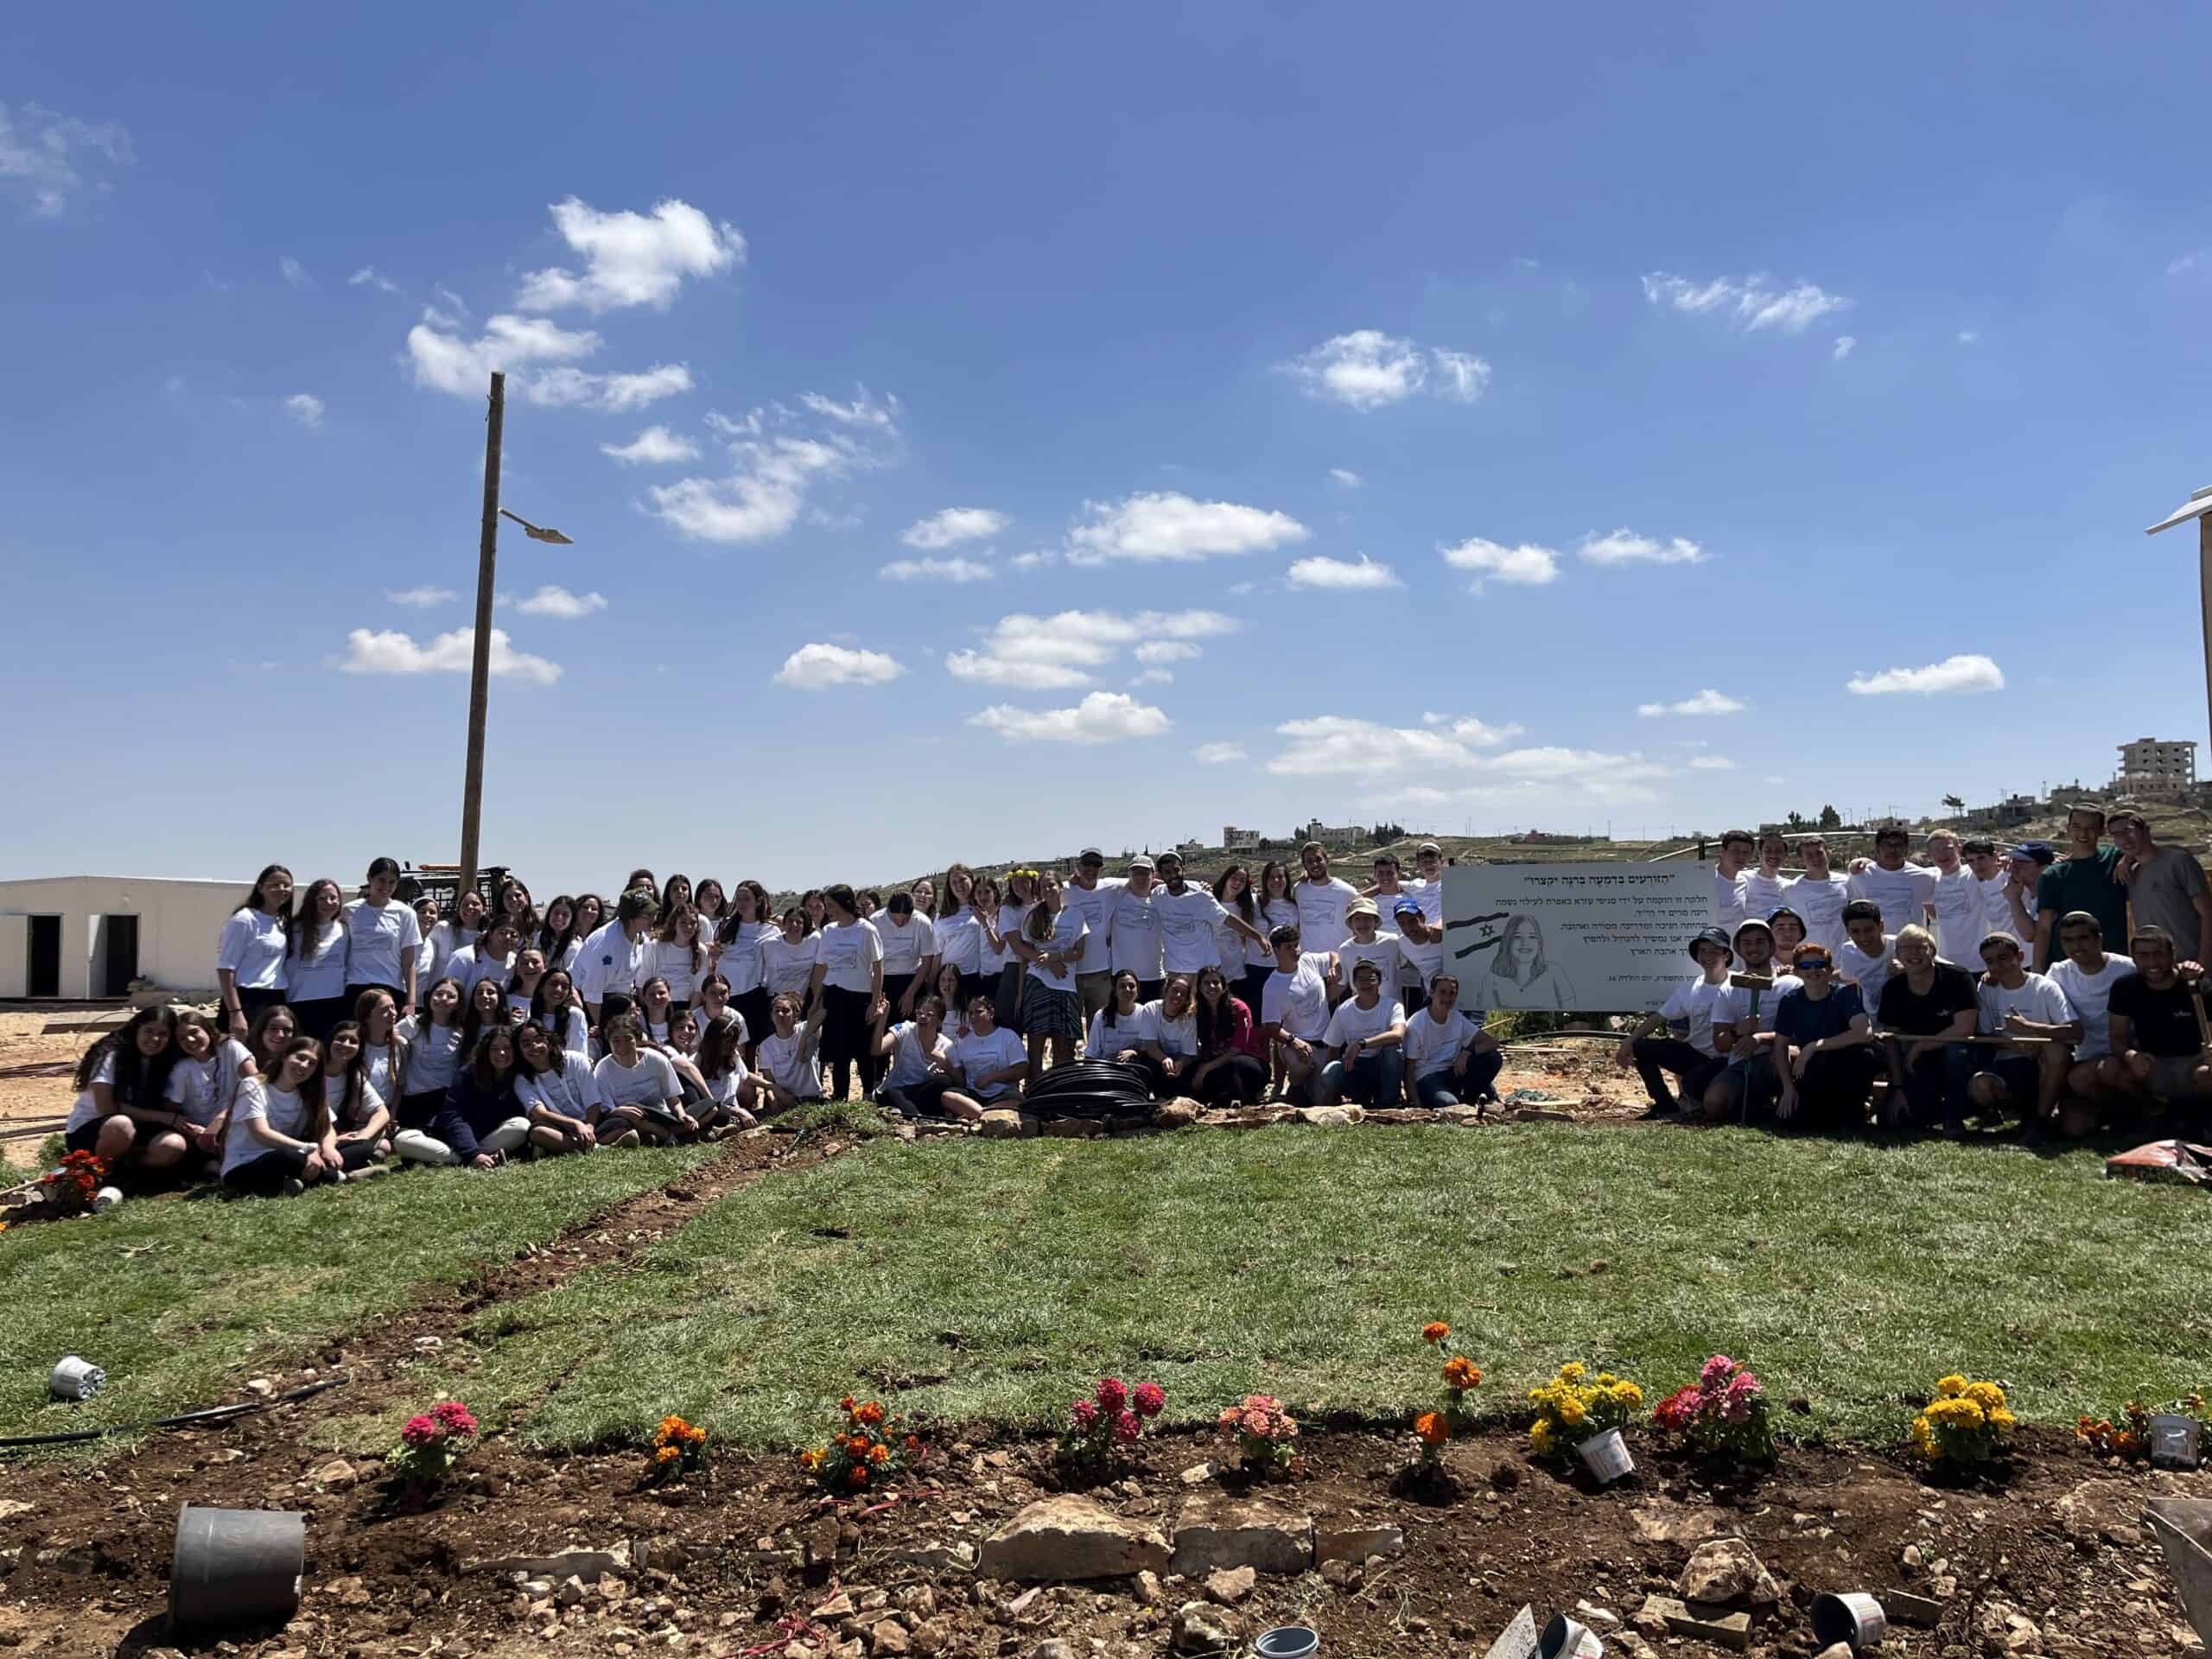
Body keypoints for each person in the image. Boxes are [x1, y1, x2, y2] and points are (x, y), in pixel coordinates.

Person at [1618, 928, 1738, 1119]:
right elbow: (1659, 1017)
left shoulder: (1739, 984)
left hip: (1726, 1060)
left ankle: (1707, 1101)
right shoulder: (1691, 988)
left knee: (1691, 1082)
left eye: (1714, 951)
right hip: (1696, 1054)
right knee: (1641, 1047)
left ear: (1726, 955)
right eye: (1703, 951)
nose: (1708, 956)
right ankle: (1665, 1105)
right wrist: (1628, 1042)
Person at [1964, 932, 2078, 1135]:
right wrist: (2016, 1045)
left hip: (2045, 1061)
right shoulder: (1987, 987)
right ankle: (2024, 1111)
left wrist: (2029, 1028)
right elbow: (1984, 1034)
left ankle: (2040, 1121)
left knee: (2056, 1053)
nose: (1997, 966)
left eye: (2003, 958)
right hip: (2009, 1061)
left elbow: (2075, 1032)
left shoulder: (2045, 987)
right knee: (1980, 1086)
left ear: (2020, 957)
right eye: (1990, 961)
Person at [1758, 941, 1880, 1129]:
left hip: (1846, 1063)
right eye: (1806, 966)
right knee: (1793, 1123)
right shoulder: (1790, 1001)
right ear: (1797, 972)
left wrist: (1814, 1045)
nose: (1813, 970)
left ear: (1830, 969)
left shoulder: (1844, 994)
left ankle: (1855, 1110)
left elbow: (1864, 1033)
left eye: (1820, 965)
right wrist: (1788, 1088)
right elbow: (1780, 1046)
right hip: (1813, 1065)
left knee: (1865, 1056)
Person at [1873, 925, 1980, 1131]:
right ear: (1897, 954)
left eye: (1920, 947)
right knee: (1893, 1121)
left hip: (1961, 1055)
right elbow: (1891, 1041)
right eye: (1907, 948)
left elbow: (1965, 1029)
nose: (1914, 953)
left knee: (1956, 1051)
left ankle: (1954, 1116)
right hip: (1919, 1061)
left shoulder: (1958, 978)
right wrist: (1898, 1087)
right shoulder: (1893, 989)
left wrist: (1921, 1045)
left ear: (1933, 950)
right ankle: (1943, 1110)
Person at [64, 1006, 186, 1175]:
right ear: (137, 1028)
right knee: (121, 1125)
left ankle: (126, 1174)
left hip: (136, 1128)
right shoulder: (113, 1056)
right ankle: (100, 1174)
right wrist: (165, 1118)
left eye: (163, 1034)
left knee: (173, 1145)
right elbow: (106, 1108)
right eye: (149, 1031)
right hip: (97, 1131)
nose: (155, 1038)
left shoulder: (164, 1061)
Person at [2104, 926, 2212, 1116]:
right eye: (2143, 955)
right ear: (2134, 958)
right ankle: (2153, 1113)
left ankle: (2200, 1116)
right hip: (2153, 1065)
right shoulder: (2124, 987)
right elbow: (2117, 1039)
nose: (2152, 962)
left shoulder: (2197, 985)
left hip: (2194, 1065)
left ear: (2173, 954)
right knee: (2110, 1069)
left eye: (2159, 954)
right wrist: (2131, 1056)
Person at [2045, 912, 2135, 1135]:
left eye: (2083, 938)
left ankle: (2145, 1112)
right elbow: (2034, 995)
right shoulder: (2058, 973)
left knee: (2109, 1069)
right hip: (2083, 1060)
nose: (2076, 946)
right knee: (2075, 1129)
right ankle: (2111, 1113)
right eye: (2068, 940)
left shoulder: (2128, 968)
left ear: (2099, 939)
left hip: (2126, 1056)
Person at [221, 1038, 346, 1196]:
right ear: (284, 1056)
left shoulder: (308, 1093)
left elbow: (327, 1127)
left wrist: (329, 1148)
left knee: (361, 1147)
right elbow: (261, 1133)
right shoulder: (253, 1085)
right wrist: (307, 1149)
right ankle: (336, 1176)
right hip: (246, 1164)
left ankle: (291, 1182)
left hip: (294, 1155)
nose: (304, 1065)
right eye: (300, 1058)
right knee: (288, 1157)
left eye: (312, 1063)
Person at [396, 1027, 532, 1166]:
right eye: (494, 1048)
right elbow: (453, 1117)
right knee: (402, 1140)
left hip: (488, 1139)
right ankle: (466, 1159)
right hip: (450, 1139)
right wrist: (473, 1153)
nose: (502, 1053)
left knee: (522, 1126)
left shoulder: (520, 1078)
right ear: (486, 1051)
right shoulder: (467, 1074)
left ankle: (463, 1157)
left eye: (507, 1048)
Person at [809, 884, 887, 1098]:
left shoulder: (866, 929)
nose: (827, 909)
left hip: (860, 997)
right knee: (838, 1053)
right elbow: (823, 967)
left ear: (845, 904)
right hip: (835, 995)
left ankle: (868, 1095)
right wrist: (816, 1001)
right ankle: (840, 1097)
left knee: (862, 1051)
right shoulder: (828, 931)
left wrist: (874, 1001)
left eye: (831, 905)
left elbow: (878, 968)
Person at [1014, 869, 1090, 1083]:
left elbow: (1079, 952)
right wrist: (1047, 963)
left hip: (1066, 985)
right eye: (1043, 887)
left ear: (1060, 887)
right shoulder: (1033, 917)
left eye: (1051, 885)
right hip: (1038, 982)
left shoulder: (1075, 914)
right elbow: (1025, 953)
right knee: (1036, 1042)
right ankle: (1035, 1087)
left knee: (1064, 1044)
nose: (1048, 890)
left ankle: (1058, 1089)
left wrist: (1054, 958)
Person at [2035, 807, 2127, 972]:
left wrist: (2128, 859)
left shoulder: (2115, 858)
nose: (2083, 833)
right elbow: (2044, 928)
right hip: (2071, 969)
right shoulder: (2053, 875)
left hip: (2116, 963)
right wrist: (2037, 973)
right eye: (2077, 826)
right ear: (2068, 829)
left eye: (2091, 827)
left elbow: (2141, 846)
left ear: (2102, 831)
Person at [2112, 810, 2212, 963]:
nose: (2124, 839)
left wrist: (2205, 964)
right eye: (2116, 835)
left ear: (2146, 831)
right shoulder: (2131, 874)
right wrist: (2127, 859)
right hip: (2156, 971)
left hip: (2191, 966)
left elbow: (2208, 913)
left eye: (2129, 831)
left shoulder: (2178, 861)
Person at [1155, 851, 1265, 981]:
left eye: (1176, 870)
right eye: (1167, 872)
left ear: (1183, 870)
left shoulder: (1201, 894)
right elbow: (1141, 880)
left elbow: (1228, 919)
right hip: (1174, 972)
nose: (1173, 875)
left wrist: (1258, 937)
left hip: (1204, 972)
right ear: (1161, 875)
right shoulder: (1157, 894)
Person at [1401, 971, 1502, 1109]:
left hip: (1452, 1070)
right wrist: (1415, 1104)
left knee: (1492, 1058)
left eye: (1452, 993)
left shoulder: (1456, 1018)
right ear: (1431, 993)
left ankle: (1469, 1102)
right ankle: (1455, 1102)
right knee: (1448, 1104)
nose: (1447, 998)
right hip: (1427, 1076)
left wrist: (1466, 1052)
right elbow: (1409, 1069)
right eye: (1442, 992)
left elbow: (1492, 1043)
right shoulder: (1416, 1025)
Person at [1259, 924, 1337, 1103]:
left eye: (1296, 945)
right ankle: (1295, 1086)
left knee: (1322, 1102)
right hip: (1296, 1045)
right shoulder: (1272, 986)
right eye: (1289, 947)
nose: (1296, 950)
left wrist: (1335, 967)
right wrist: (1294, 1042)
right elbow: (1272, 1027)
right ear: (1276, 950)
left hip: (1324, 1044)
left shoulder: (1309, 961)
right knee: (1300, 1066)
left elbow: (1333, 955)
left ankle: (1308, 1086)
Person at [592, 1014, 697, 1143]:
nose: (622, 1045)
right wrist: (620, 1111)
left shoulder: (656, 1059)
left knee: (710, 1109)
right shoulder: (603, 1069)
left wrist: (682, 1114)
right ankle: (663, 1134)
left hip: (659, 1114)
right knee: (621, 1122)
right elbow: (606, 1110)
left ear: (637, 1039)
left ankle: (650, 1135)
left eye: (628, 1039)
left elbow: (672, 1098)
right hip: (628, 1117)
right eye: (616, 1040)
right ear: (609, 1042)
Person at [1318, 959, 1407, 1107]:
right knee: (1329, 1075)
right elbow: (1333, 1048)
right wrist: (1329, 1095)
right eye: (1361, 979)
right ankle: (1360, 1096)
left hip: (1381, 1064)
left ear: (1379, 982)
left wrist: (1362, 1044)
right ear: (1354, 983)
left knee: (1393, 1050)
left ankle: (1389, 1102)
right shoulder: (1343, 1010)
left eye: (1371, 979)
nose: (1366, 984)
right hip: (1355, 1065)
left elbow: (1398, 1034)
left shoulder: (1392, 1005)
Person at [218, 864, 294, 1036]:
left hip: (276, 998)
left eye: (286, 885)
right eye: (274, 885)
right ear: (260, 888)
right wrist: (235, 1013)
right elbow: (225, 969)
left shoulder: (282, 922)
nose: (281, 889)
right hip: (248, 1000)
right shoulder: (245, 920)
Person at [342, 856, 423, 1017]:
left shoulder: (405, 914)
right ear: (369, 878)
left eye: (392, 882)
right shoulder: (349, 911)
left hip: (390, 988)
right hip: (355, 988)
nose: (386, 886)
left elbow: (409, 962)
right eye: (381, 880)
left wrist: (411, 1002)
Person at [513, 1019, 602, 1155]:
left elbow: (593, 1100)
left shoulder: (576, 1060)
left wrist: (589, 1127)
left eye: (539, 1040)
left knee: (619, 1123)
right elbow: (540, 1113)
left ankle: (578, 1145)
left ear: (548, 1041)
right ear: (519, 1050)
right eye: (526, 1044)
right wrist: (575, 1124)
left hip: (592, 1123)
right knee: (538, 1133)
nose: (534, 1046)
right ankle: (598, 1147)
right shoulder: (522, 1079)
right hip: (560, 1127)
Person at [1186, 963, 1268, 1107]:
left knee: (1234, 1064)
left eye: (1216, 982)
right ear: (1199, 988)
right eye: (1206, 983)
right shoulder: (1198, 1012)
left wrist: (1205, 1068)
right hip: (1217, 1064)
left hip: (1249, 1063)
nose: (1211, 986)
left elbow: (1237, 1050)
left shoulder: (1239, 1008)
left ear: (1224, 986)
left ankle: (1248, 1100)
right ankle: (1223, 1096)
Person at [576, 888, 658, 1027]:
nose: (653, 919)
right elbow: (591, 994)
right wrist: (602, 1030)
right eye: (646, 916)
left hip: (620, 1000)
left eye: (654, 914)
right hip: (590, 1003)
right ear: (631, 919)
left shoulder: (640, 936)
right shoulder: (607, 945)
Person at [321, 1020, 394, 1171]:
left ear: (359, 1048)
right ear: (329, 1041)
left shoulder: (353, 1076)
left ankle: (350, 1161)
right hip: (314, 1135)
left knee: (377, 1138)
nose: (346, 1044)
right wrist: (333, 1140)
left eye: (353, 1041)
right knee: (376, 1147)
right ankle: (348, 1167)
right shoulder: (313, 1070)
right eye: (341, 1039)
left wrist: (362, 1137)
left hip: (337, 1135)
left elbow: (382, 1113)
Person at [395, 976, 466, 1130]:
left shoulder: (460, 1032)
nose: (443, 999)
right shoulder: (413, 1024)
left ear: (458, 1004)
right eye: (439, 994)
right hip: (414, 1098)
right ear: (430, 997)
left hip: (444, 1099)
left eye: (451, 996)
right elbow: (385, 1037)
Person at [717, 882, 780, 1057]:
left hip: (752, 994)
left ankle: (751, 1084)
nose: (742, 903)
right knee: (727, 1047)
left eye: (747, 899)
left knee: (750, 1050)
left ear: (758, 901)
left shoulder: (771, 929)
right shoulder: (726, 926)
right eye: (738, 898)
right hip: (725, 994)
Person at [871, 998, 959, 1120]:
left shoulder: (947, 1045)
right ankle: (918, 1118)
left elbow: (960, 1081)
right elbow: (877, 1050)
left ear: (939, 1021)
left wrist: (944, 1063)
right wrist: (882, 1018)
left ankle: (915, 1114)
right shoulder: (905, 1029)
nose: (923, 1017)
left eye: (929, 1014)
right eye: (919, 1013)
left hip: (920, 1092)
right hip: (897, 1089)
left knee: (944, 1081)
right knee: (892, 1093)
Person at [1062, 848, 1123, 1021]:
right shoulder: (1064, 890)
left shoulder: (1110, 887)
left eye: (1096, 865)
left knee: (1099, 1028)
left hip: (1101, 974)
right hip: (1070, 973)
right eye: (1086, 864)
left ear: (1102, 869)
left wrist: (1198, 885)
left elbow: (1143, 878)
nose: (1090, 869)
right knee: (1069, 1030)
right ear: (1078, 866)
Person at [944, 994, 1027, 1120]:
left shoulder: (1008, 1036)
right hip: (973, 1094)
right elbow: (959, 1074)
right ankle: (986, 1115)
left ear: (991, 1013)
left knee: (1019, 1100)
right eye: (971, 1013)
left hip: (1002, 1093)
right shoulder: (963, 1040)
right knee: (947, 1096)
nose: (973, 1017)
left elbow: (1021, 1070)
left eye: (979, 1012)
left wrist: (991, 1077)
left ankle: (978, 1114)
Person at [1848, 825, 1937, 941]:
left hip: (1911, 948)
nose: (1892, 850)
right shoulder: (1859, 877)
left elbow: (1939, 913)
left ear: (1906, 849)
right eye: (1887, 845)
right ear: (1877, 849)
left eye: (1898, 845)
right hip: (1872, 948)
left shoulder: (1924, 877)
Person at [1478, 913, 1577, 1010]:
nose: (1525, 943)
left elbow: (1571, 1008)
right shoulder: (1492, 979)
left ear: (1539, 943)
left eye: (1532, 937)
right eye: (1517, 937)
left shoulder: (1555, 972)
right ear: (1508, 941)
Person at [873, 889, 939, 1025]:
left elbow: (927, 961)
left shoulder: (923, 922)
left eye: (905, 919)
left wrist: (910, 994)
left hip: (912, 978)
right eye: (896, 918)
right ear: (888, 912)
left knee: (910, 1026)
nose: (900, 923)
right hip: (883, 978)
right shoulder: (875, 921)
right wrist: (876, 994)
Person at [1924, 831, 1989, 967]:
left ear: (1959, 849)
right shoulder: (1929, 878)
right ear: (1930, 854)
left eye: (1947, 848)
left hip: (1979, 962)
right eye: (1936, 850)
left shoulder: (1974, 872)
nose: (1942, 854)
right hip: (1946, 961)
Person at [1245, 861, 1301, 1015]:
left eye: (1280, 877)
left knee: (1284, 1016)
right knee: (1257, 1017)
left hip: (1284, 969)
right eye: (1271, 877)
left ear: (1287, 880)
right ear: (1265, 880)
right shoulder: (1253, 901)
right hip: (1256, 968)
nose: (1276, 881)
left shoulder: (1294, 906)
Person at [1134, 974, 1203, 1098]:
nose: (1178, 995)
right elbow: (1150, 1046)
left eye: (1183, 993)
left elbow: (1189, 1054)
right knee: (1145, 1064)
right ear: (1166, 991)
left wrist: (1181, 1064)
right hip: (1157, 1058)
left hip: (1180, 1063)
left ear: (1187, 999)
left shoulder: (1189, 1017)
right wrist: (1164, 1059)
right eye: (1175, 990)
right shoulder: (1151, 1009)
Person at [1104, 857, 1164, 999]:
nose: (1141, 878)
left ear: (1153, 876)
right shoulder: (1115, 898)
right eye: (1136, 873)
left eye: (1145, 873)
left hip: (1155, 977)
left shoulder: (1161, 900)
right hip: (1123, 980)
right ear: (1129, 876)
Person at [755, 994, 828, 1109]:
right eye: (776, 1011)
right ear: (771, 1016)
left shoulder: (806, 1029)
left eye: (785, 1011)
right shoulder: (766, 1046)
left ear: (796, 1014)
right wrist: (774, 1103)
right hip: (785, 1100)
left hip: (810, 1099)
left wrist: (803, 1041)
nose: (780, 1014)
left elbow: (823, 1012)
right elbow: (768, 1082)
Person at [1293, 842, 1360, 967]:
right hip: (1308, 966)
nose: (1315, 864)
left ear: (1327, 860)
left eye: (1319, 859)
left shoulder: (1347, 892)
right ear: (1304, 866)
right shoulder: (1299, 890)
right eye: (1309, 861)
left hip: (1339, 965)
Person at [1784, 836, 1853, 957]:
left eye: (1819, 853)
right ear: (1801, 859)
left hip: (1844, 959)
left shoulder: (1847, 883)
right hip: (1809, 962)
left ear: (1828, 853)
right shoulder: (1790, 890)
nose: (1815, 858)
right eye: (1809, 855)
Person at [932, 863, 988, 1008]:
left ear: (971, 880)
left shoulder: (983, 909)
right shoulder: (941, 917)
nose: (959, 885)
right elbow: (937, 953)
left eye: (963, 880)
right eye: (954, 882)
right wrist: (932, 983)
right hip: (948, 980)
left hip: (975, 976)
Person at [1334, 899, 1406, 1006]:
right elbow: (1343, 983)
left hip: (1392, 1008)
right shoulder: (1345, 949)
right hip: (1361, 1010)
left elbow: (1408, 964)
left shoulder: (1393, 942)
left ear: (1376, 921)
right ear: (1351, 923)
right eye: (1357, 919)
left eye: (1367, 918)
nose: (1362, 923)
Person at [642, 903, 709, 1014]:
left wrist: (689, 1015)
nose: (688, 927)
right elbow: (642, 982)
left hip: (687, 1007)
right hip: (657, 1006)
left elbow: (698, 990)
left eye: (693, 923)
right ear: (674, 923)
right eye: (683, 922)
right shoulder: (655, 946)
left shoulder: (701, 950)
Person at [1836, 901, 1899, 1018]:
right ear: (1847, 932)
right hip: (1870, 1023)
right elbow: (1845, 977)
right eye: (1855, 931)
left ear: (1881, 926)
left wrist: (1909, 970)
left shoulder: (1900, 944)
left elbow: (1935, 965)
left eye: (1868, 930)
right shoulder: (1848, 950)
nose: (1863, 938)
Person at [992, 871, 1036, 1036]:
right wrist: (1048, 961)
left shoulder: (1042, 905)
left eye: (1024, 882)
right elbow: (1017, 946)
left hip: (1038, 968)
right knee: (1009, 1022)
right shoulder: (1008, 909)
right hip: (1015, 967)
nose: (1020, 886)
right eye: (1015, 883)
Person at [1997, 842, 2055, 963]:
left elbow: (2030, 935)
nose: (2015, 866)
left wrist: (2014, 898)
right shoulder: (2032, 895)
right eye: (2014, 860)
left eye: (2023, 862)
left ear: (2044, 867)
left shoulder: (2052, 894)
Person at [760, 906, 820, 1019]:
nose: (794, 925)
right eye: (790, 921)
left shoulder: (815, 940)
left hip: (800, 1002)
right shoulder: (770, 944)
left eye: (799, 922)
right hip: (775, 1000)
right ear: (784, 923)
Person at [447, 915, 522, 1001]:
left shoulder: (515, 962)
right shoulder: (464, 957)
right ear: (490, 934)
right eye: (502, 932)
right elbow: (448, 993)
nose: (508, 937)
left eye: (514, 935)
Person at [424, 887, 486, 983]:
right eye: (465, 904)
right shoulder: (443, 929)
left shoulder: (487, 940)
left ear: (484, 910)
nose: (470, 907)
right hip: (435, 992)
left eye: (475, 904)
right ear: (458, 909)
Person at [1086, 969, 1148, 1060]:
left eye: (1131, 986)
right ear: (1115, 991)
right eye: (1122, 986)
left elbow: (1151, 1049)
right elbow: (1091, 1053)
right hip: (1107, 1069)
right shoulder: (1101, 1016)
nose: (1127, 989)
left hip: (1136, 1068)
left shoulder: (1145, 1014)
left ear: (1137, 991)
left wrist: (1135, 1052)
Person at [530, 968, 590, 1056]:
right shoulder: (528, 1014)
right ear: (541, 988)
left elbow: (580, 1053)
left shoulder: (575, 1015)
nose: (559, 989)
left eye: (565, 987)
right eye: (553, 984)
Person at [1741, 832, 1794, 929]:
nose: (1773, 855)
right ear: (1760, 855)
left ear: (1785, 856)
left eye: (1779, 851)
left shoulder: (1789, 886)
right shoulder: (1743, 879)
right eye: (1768, 850)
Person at [1711, 830, 1753, 935]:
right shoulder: (1707, 880)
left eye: (1746, 852)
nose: (1740, 856)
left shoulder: (1744, 882)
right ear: (1722, 851)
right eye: (1735, 850)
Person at [537, 895, 584, 976]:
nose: (559, 917)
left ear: (572, 919)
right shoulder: (540, 937)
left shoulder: (574, 947)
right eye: (556, 913)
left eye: (565, 915)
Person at [506, 946, 550, 1021]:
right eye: (524, 963)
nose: (530, 966)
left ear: (545, 967)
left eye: (535, 962)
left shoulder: (552, 1001)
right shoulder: (506, 1001)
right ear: (517, 970)